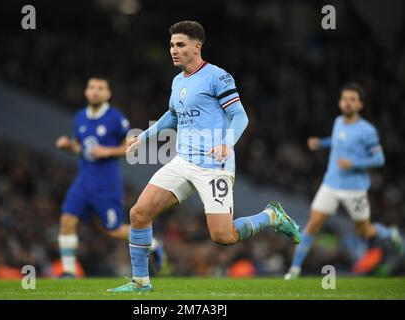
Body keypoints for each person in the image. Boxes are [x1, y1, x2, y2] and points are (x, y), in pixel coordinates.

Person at [108, 21, 301, 293]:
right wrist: (145, 135)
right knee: (139, 213)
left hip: (214, 166)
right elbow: (173, 116)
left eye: (180, 45)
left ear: (196, 47)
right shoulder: (178, 81)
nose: (173, 50)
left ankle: (271, 216)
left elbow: (240, 116)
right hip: (182, 162)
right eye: (172, 45)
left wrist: (227, 143)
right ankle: (140, 281)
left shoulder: (217, 77)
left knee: (223, 236)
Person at [284, 83, 404, 279]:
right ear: (340, 102)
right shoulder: (338, 121)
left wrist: (354, 163)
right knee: (313, 224)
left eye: (352, 100)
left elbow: (379, 158)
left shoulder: (367, 131)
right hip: (330, 184)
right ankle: (294, 269)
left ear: (360, 105)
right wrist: (321, 143)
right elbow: (337, 140)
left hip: (354, 188)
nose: (348, 103)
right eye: (345, 99)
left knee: (365, 231)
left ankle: (391, 234)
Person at [56, 76, 163, 278]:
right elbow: (85, 148)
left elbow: (130, 147)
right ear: (86, 92)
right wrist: (70, 146)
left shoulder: (115, 118)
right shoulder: (80, 116)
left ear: (108, 94)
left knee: (113, 230)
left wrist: (108, 151)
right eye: (92, 87)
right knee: (67, 220)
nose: (95, 91)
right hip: (83, 179)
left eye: (100, 88)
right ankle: (68, 271)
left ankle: (154, 244)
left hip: (106, 182)